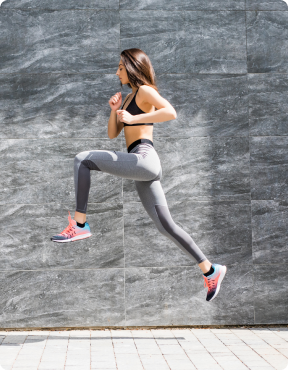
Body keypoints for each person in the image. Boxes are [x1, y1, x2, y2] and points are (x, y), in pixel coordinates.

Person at [51, 48, 227, 302]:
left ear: (132, 67)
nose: (116, 72)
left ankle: (79, 225)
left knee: (82, 159)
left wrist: (135, 117)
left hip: (144, 157)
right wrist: (115, 110)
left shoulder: (144, 91)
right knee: (166, 226)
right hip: (140, 163)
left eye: (120, 68)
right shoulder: (128, 97)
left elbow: (170, 112)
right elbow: (113, 133)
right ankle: (210, 270)